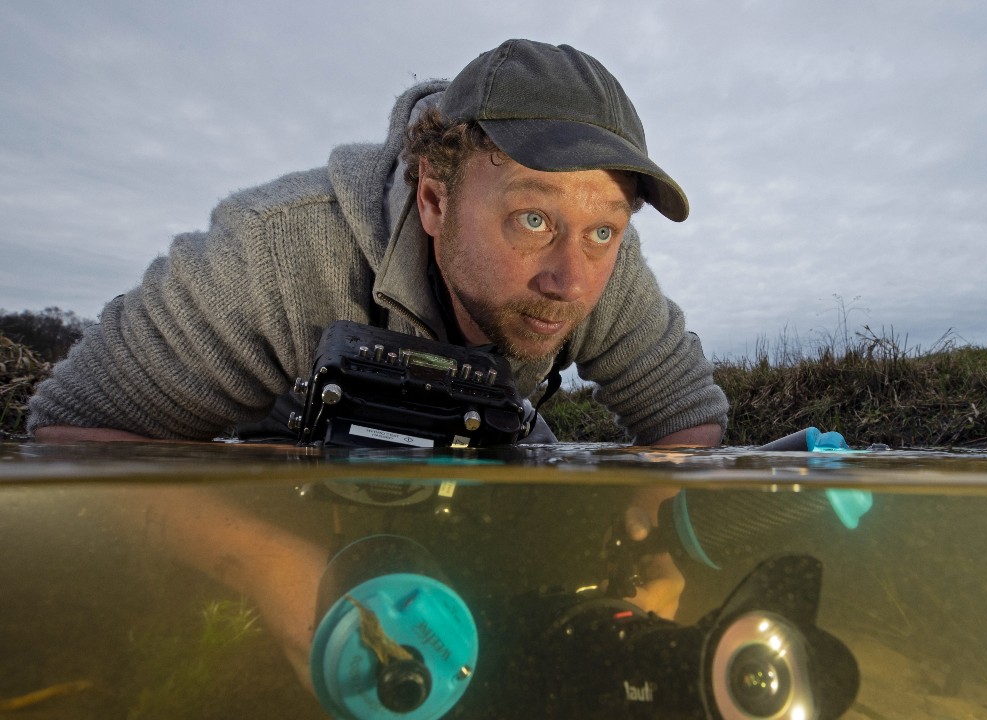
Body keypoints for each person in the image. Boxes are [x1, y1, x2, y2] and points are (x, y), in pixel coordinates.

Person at [27, 39, 727, 689]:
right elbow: (70, 435)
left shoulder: (599, 267)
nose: (571, 281)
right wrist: (267, 565)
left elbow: (687, 419)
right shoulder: (270, 255)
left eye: (605, 229)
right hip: (290, 517)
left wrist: (656, 540)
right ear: (434, 197)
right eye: (532, 220)